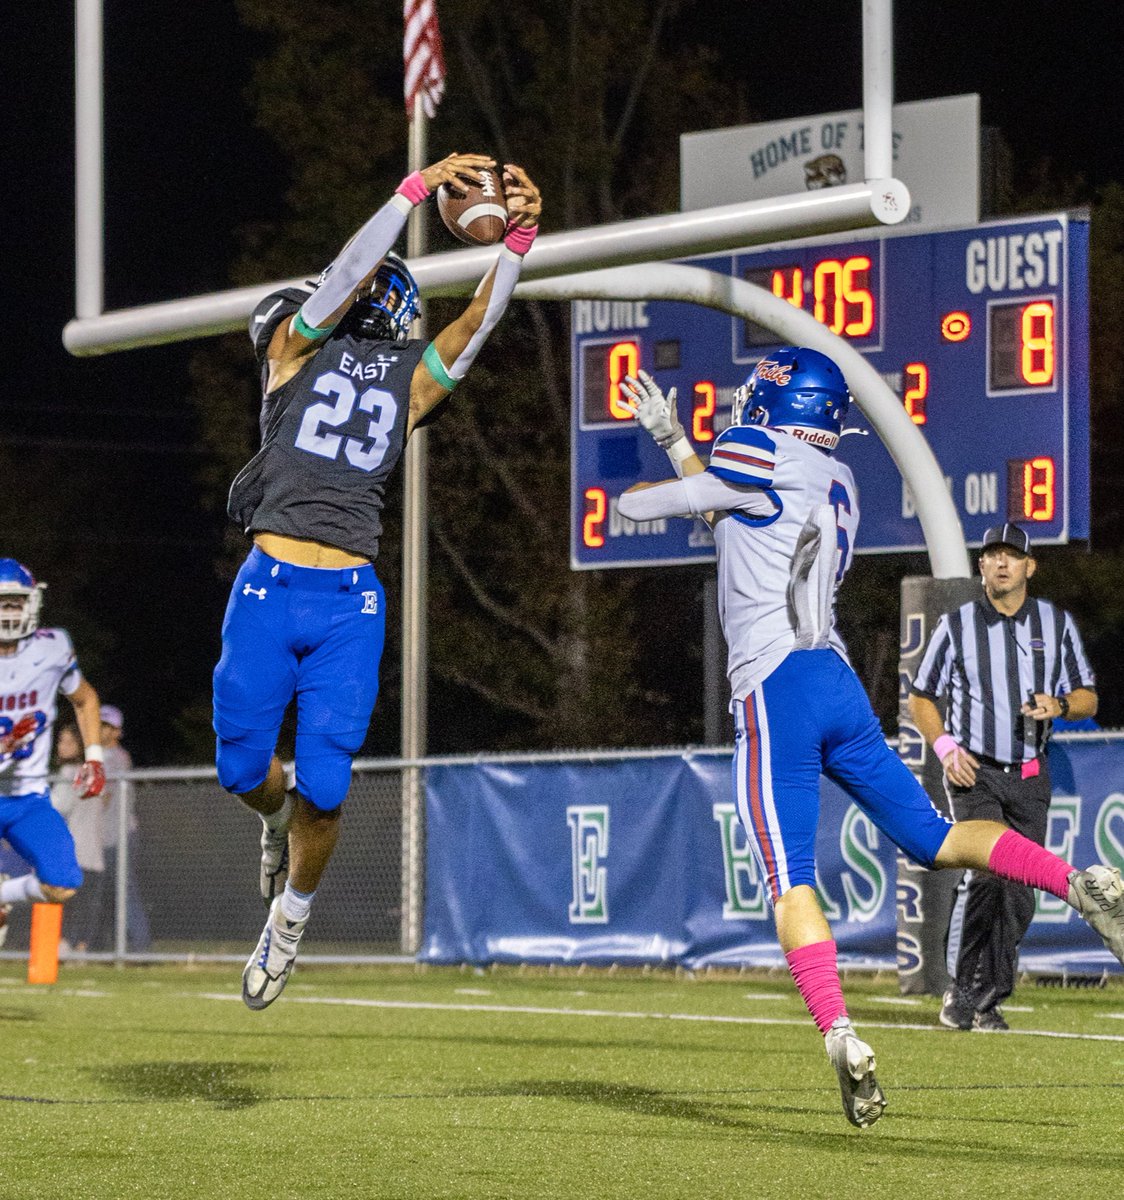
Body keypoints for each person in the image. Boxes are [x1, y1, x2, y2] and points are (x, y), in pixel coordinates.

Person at [615, 351, 1124, 1130]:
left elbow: (645, 509)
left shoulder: (751, 451)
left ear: (782, 402)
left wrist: (656, 473)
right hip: (836, 681)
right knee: (936, 837)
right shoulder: (841, 478)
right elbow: (736, 519)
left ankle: (840, 1031)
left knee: (790, 879)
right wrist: (677, 440)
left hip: (773, 683)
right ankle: (1073, 880)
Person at [214, 153, 542, 1011]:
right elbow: (353, 272)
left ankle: (289, 923)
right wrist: (413, 187)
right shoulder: (293, 355)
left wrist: (518, 242)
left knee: (326, 780)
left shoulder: (407, 384)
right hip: (269, 584)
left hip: (347, 602)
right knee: (243, 768)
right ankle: (275, 823)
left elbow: (473, 326)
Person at [908, 523, 1098, 1032]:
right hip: (976, 774)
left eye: (1012, 556)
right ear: (981, 566)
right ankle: (961, 990)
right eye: (992, 555)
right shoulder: (957, 625)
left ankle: (988, 997)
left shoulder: (1055, 625)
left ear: (1029, 566)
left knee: (1019, 891)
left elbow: (1087, 696)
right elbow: (921, 695)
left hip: (1031, 776)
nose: (1001, 563)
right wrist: (945, 746)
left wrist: (1058, 704)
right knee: (988, 876)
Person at [0, 559, 106, 948]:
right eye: (1, 603)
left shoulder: (52, 648)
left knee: (62, 884)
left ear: (32, 603)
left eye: (15, 603)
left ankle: (2, 896)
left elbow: (84, 698)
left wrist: (94, 757)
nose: (8, 613)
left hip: (28, 798)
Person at [91, 704, 151, 952]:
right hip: (103, 838)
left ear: (116, 731)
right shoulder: (97, 757)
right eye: (100, 724)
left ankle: (141, 948)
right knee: (101, 894)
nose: (101, 730)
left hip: (121, 836)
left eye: (107, 726)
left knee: (126, 893)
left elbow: (101, 798)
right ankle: (101, 947)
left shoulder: (117, 757)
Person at [49, 723, 106, 952]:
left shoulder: (68, 773)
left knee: (68, 904)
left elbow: (57, 807)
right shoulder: (94, 772)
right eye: (61, 741)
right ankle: (82, 949)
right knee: (87, 906)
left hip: (73, 850)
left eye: (69, 742)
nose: (62, 747)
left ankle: (64, 947)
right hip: (94, 851)